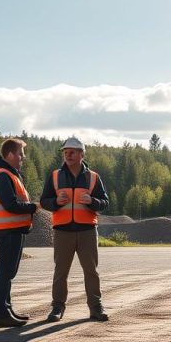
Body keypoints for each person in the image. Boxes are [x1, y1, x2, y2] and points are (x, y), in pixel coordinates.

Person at [40, 137, 110, 322]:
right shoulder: (55, 176)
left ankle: (96, 308)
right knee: (60, 272)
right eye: (65, 152)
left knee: (91, 271)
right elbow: (44, 201)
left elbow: (105, 202)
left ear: (81, 154)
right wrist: (55, 202)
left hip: (87, 231)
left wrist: (93, 202)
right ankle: (57, 308)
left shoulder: (93, 177)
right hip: (62, 231)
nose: (68, 155)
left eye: (72, 152)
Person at [0, 138, 39, 327]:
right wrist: (32, 207)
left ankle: (6, 309)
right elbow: (10, 204)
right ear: (9, 154)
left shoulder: (10, 174)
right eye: (20, 153)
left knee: (8, 271)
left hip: (13, 230)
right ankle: (0, 312)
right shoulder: (2, 176)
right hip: (7, 230)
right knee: (5, 271)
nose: (22, 158)